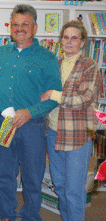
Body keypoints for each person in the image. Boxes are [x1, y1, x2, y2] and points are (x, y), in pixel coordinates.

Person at [0, 4, 62, 221]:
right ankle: (6, 213)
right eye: (15, 24)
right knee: (4, 173)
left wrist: (30, 112)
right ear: (10, 27)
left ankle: (31, 214)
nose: (19, 28)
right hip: (5, 124)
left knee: (33, 175)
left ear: (34, 27)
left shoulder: (47, 58)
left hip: (33, 125)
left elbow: (55, 95)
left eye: (25, 24)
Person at [41, 20, 103, 221]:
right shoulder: (55, 63)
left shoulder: (90, 66)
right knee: (59, 185)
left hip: (77, 136)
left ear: (82, 42)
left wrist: (53, 94)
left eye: (74, 38)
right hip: (53, 132)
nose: (69, 42)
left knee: (73, 190)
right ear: (61, 40)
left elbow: (84, 100)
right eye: (66, 37)